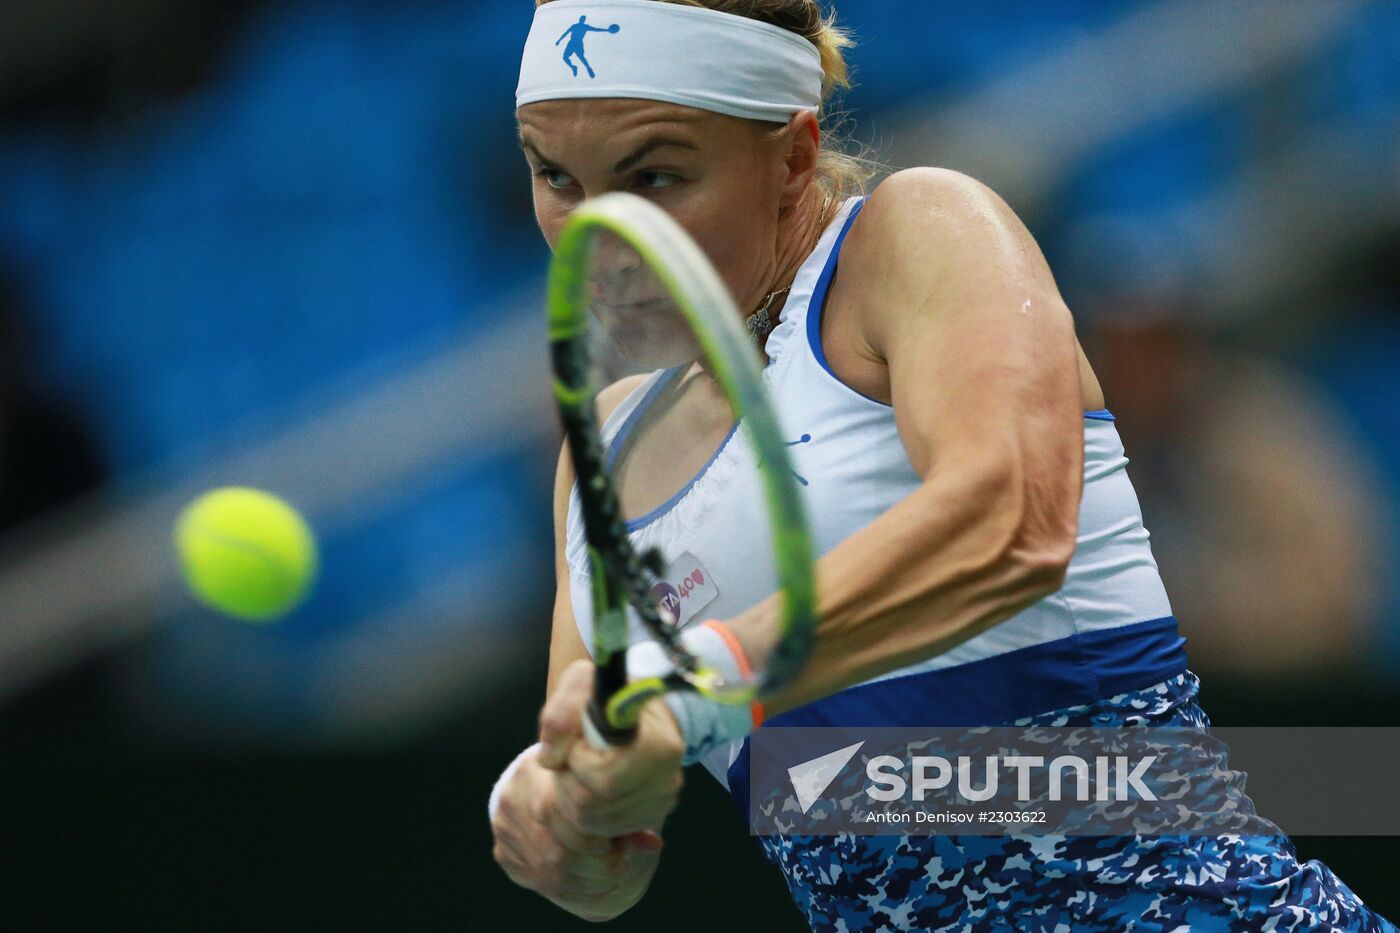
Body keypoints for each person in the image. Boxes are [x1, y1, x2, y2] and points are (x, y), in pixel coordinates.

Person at [490, 1, 1397, 929]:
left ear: (793, 157)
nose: (598, 235)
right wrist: (560, 819)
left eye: (655, 176)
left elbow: (1014, 524)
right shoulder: (604, 452)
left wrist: (698, 690)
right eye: (555, 175)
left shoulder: (917, 234)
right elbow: (601, 816)